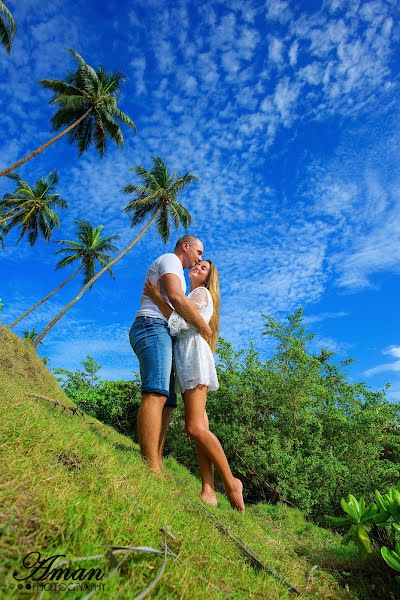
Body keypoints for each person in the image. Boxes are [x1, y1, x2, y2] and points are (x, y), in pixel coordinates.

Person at [144, 259, 245, 513]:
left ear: (207, 279)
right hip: (188, 359)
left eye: (203, 269)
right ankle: (208, 490)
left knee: (194, 427)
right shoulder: (193, 294)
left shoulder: (201, 294)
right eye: (198, 265)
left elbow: (178, 325)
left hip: (194, 359)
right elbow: (181, 321)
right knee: (201, 426)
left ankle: (232, 482)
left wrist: (158, 297)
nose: (197, 267)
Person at [129, 235, 212, 475]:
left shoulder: (180, 273)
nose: (198, 258)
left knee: (168, 402)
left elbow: (174, 311)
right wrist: (203, 326)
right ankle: (150, 466)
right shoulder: (171, 260)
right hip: (151, 325)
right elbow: (175, 297)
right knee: (155, 393)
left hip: (162, 329)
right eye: (199, 252)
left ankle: (156, 460)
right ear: (185, 246)